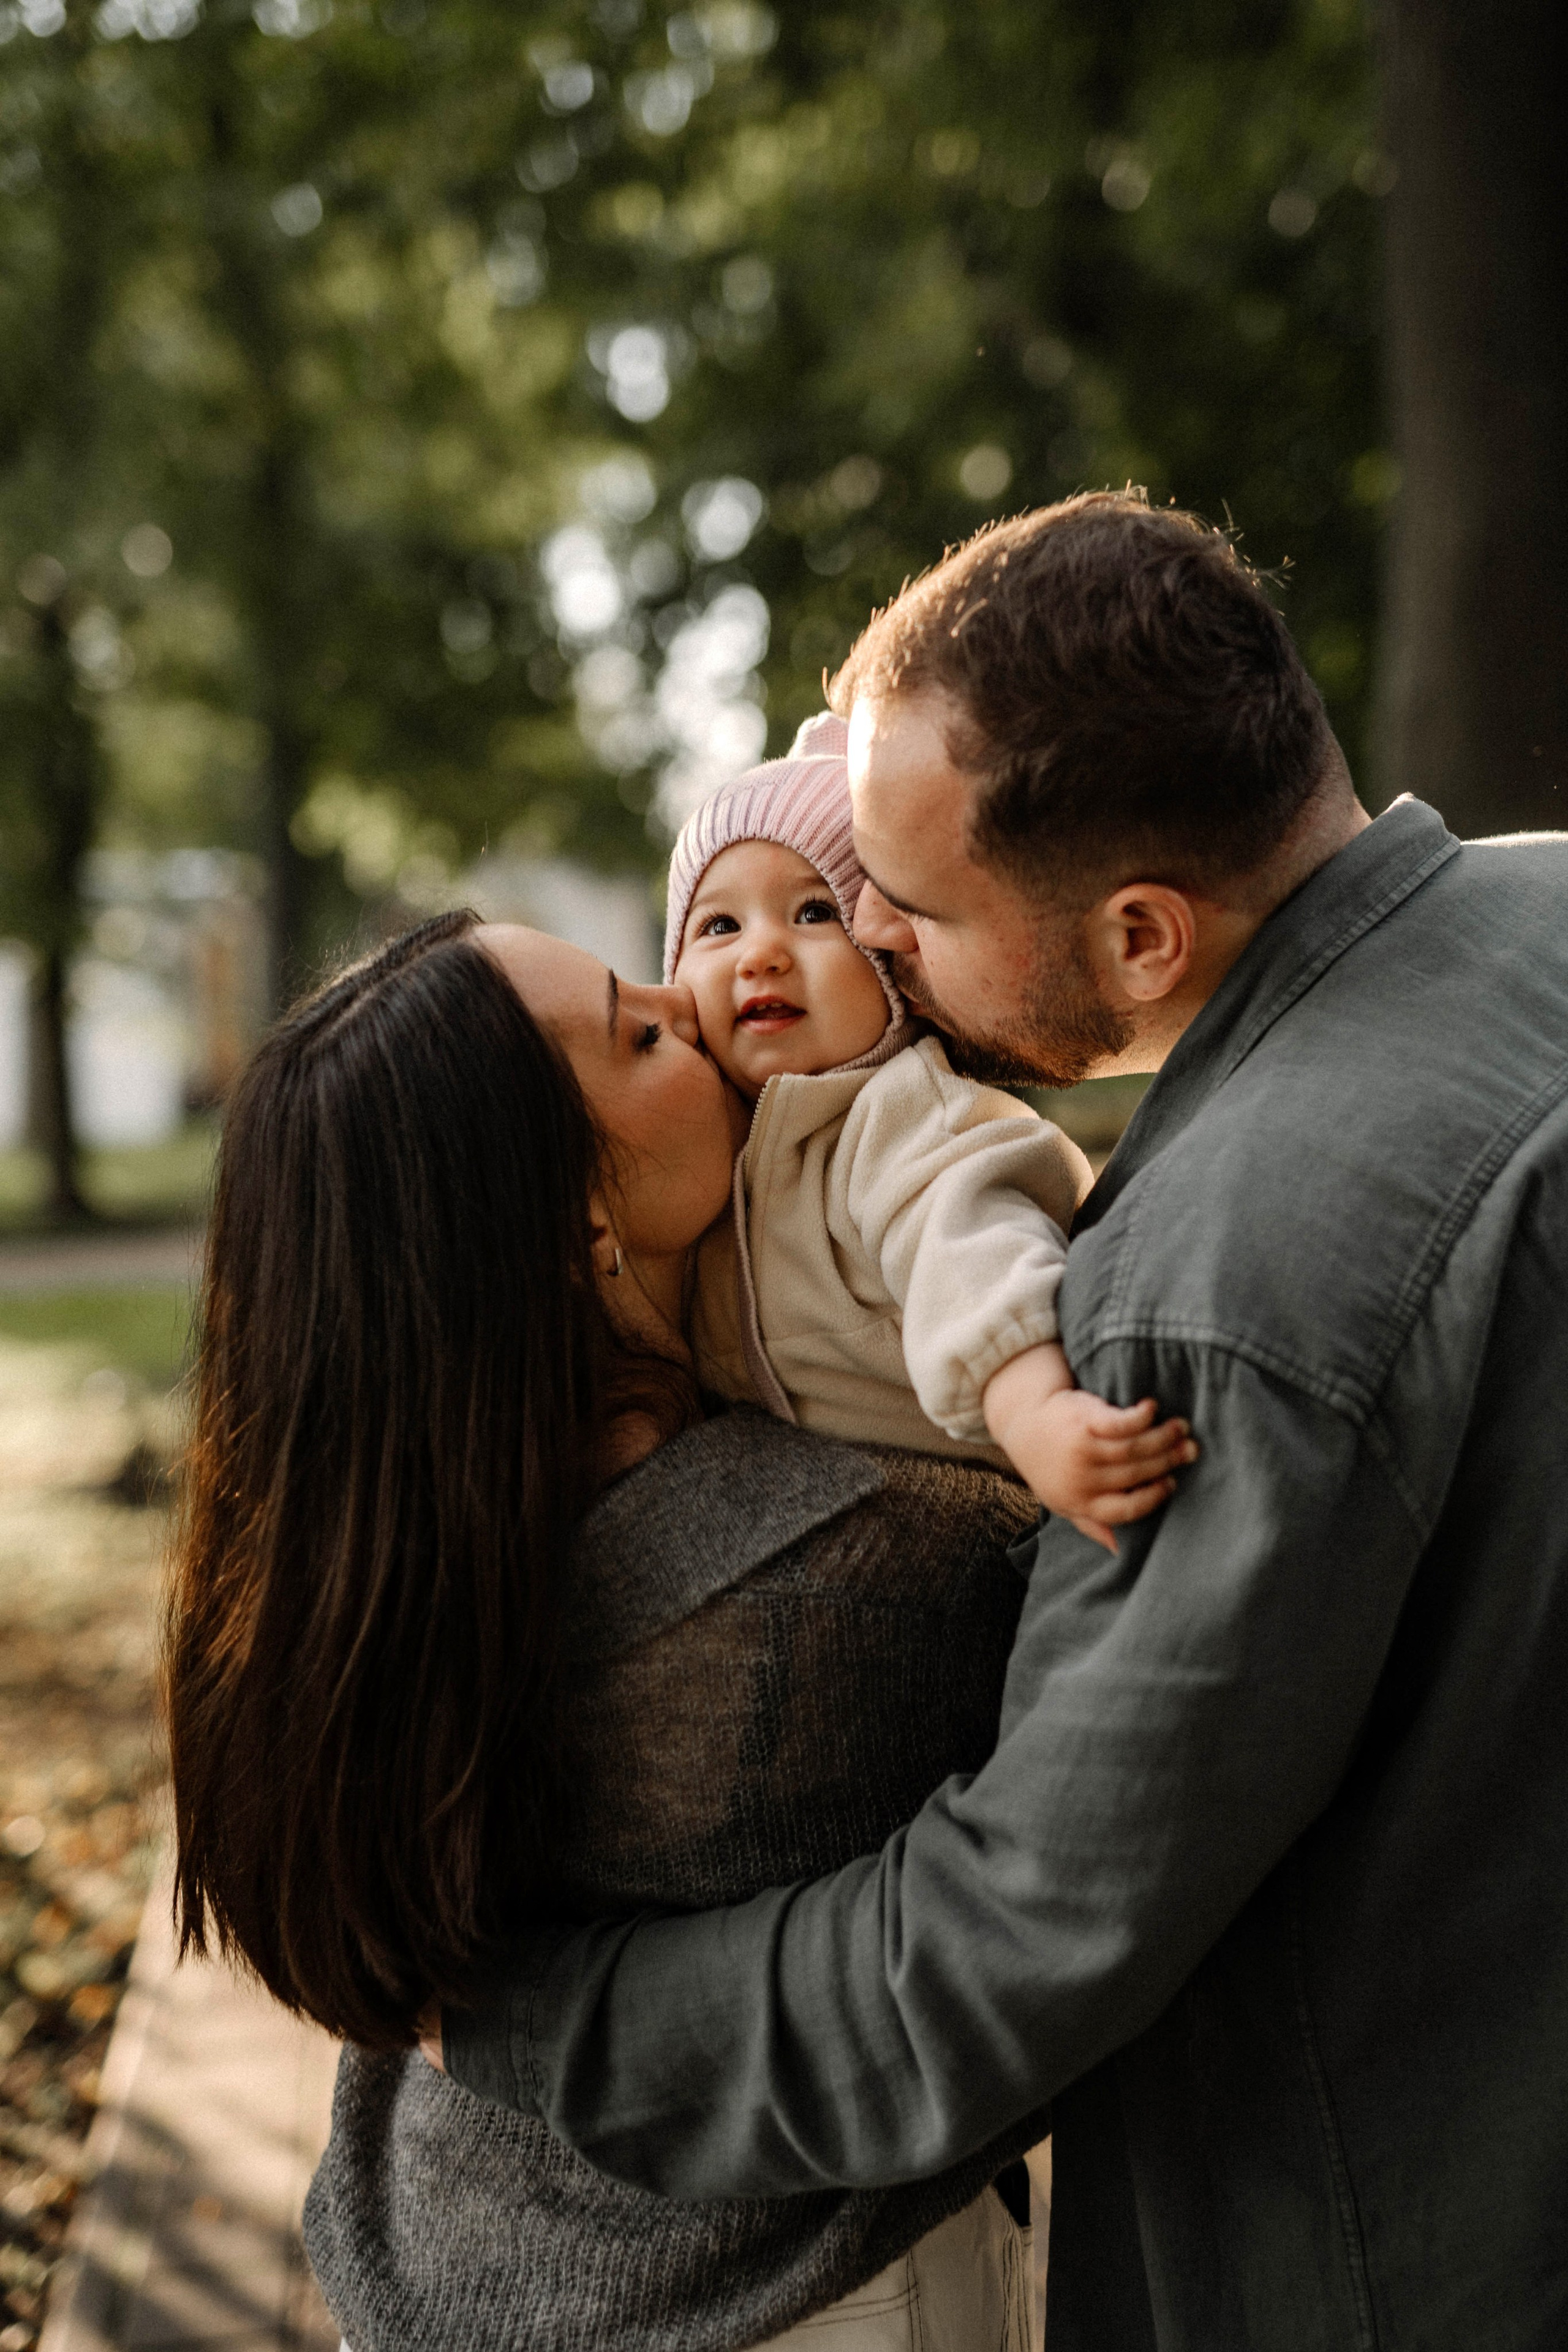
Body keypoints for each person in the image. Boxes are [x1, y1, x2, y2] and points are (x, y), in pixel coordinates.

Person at [435, 491, 1568, 2350]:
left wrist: (511, 2018)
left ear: (1136, 937)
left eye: (909, 902)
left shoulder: (1219, 1289)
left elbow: (1008, 1947)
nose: (856, 934)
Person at [164, 911, 1046, 2350]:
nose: (694, 1007)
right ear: (578, 1222)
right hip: (785, 2308)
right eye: (639, 1034)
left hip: (430, 2262)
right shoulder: (856, 1576)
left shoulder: (374, 1573)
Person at [666, 710, 1197, 1544]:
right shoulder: (713, 1147)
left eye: (814, 914)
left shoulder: (901, 1114)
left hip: (1005, 1497)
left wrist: (1037, 1413)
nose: (760, 953)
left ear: (894, 965)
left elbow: (972, 1252)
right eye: (720, 926)